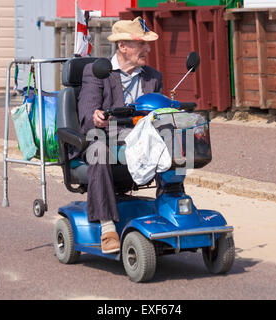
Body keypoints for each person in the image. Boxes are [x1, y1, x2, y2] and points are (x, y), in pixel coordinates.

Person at [77, 17, 163, 254]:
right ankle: (107, 227)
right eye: (141, 44)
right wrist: (95, 115)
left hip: (141, 139)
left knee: (174, 145)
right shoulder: (97, 73)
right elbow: (86, 110)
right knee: (98, 149)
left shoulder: (153, 77)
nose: (147, 48)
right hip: (105, 137)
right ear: (123, 46)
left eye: (147, 43)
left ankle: (171, 210)